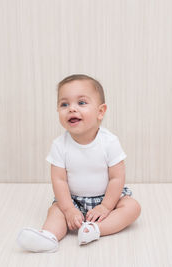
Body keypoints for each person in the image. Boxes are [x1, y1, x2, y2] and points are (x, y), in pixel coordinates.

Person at [17, 74, 141, 252]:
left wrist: (106, 206)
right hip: (72, 200)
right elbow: (59, 181)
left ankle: (95, 230)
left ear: (100, 111)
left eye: (81, 103)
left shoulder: (109, 142)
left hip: (107, 197)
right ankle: (48, 237)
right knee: (55, 211)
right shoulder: (60, 145)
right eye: (64, 104)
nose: (72, 109)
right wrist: (68, 210)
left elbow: (116, 178)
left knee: (132, 207)